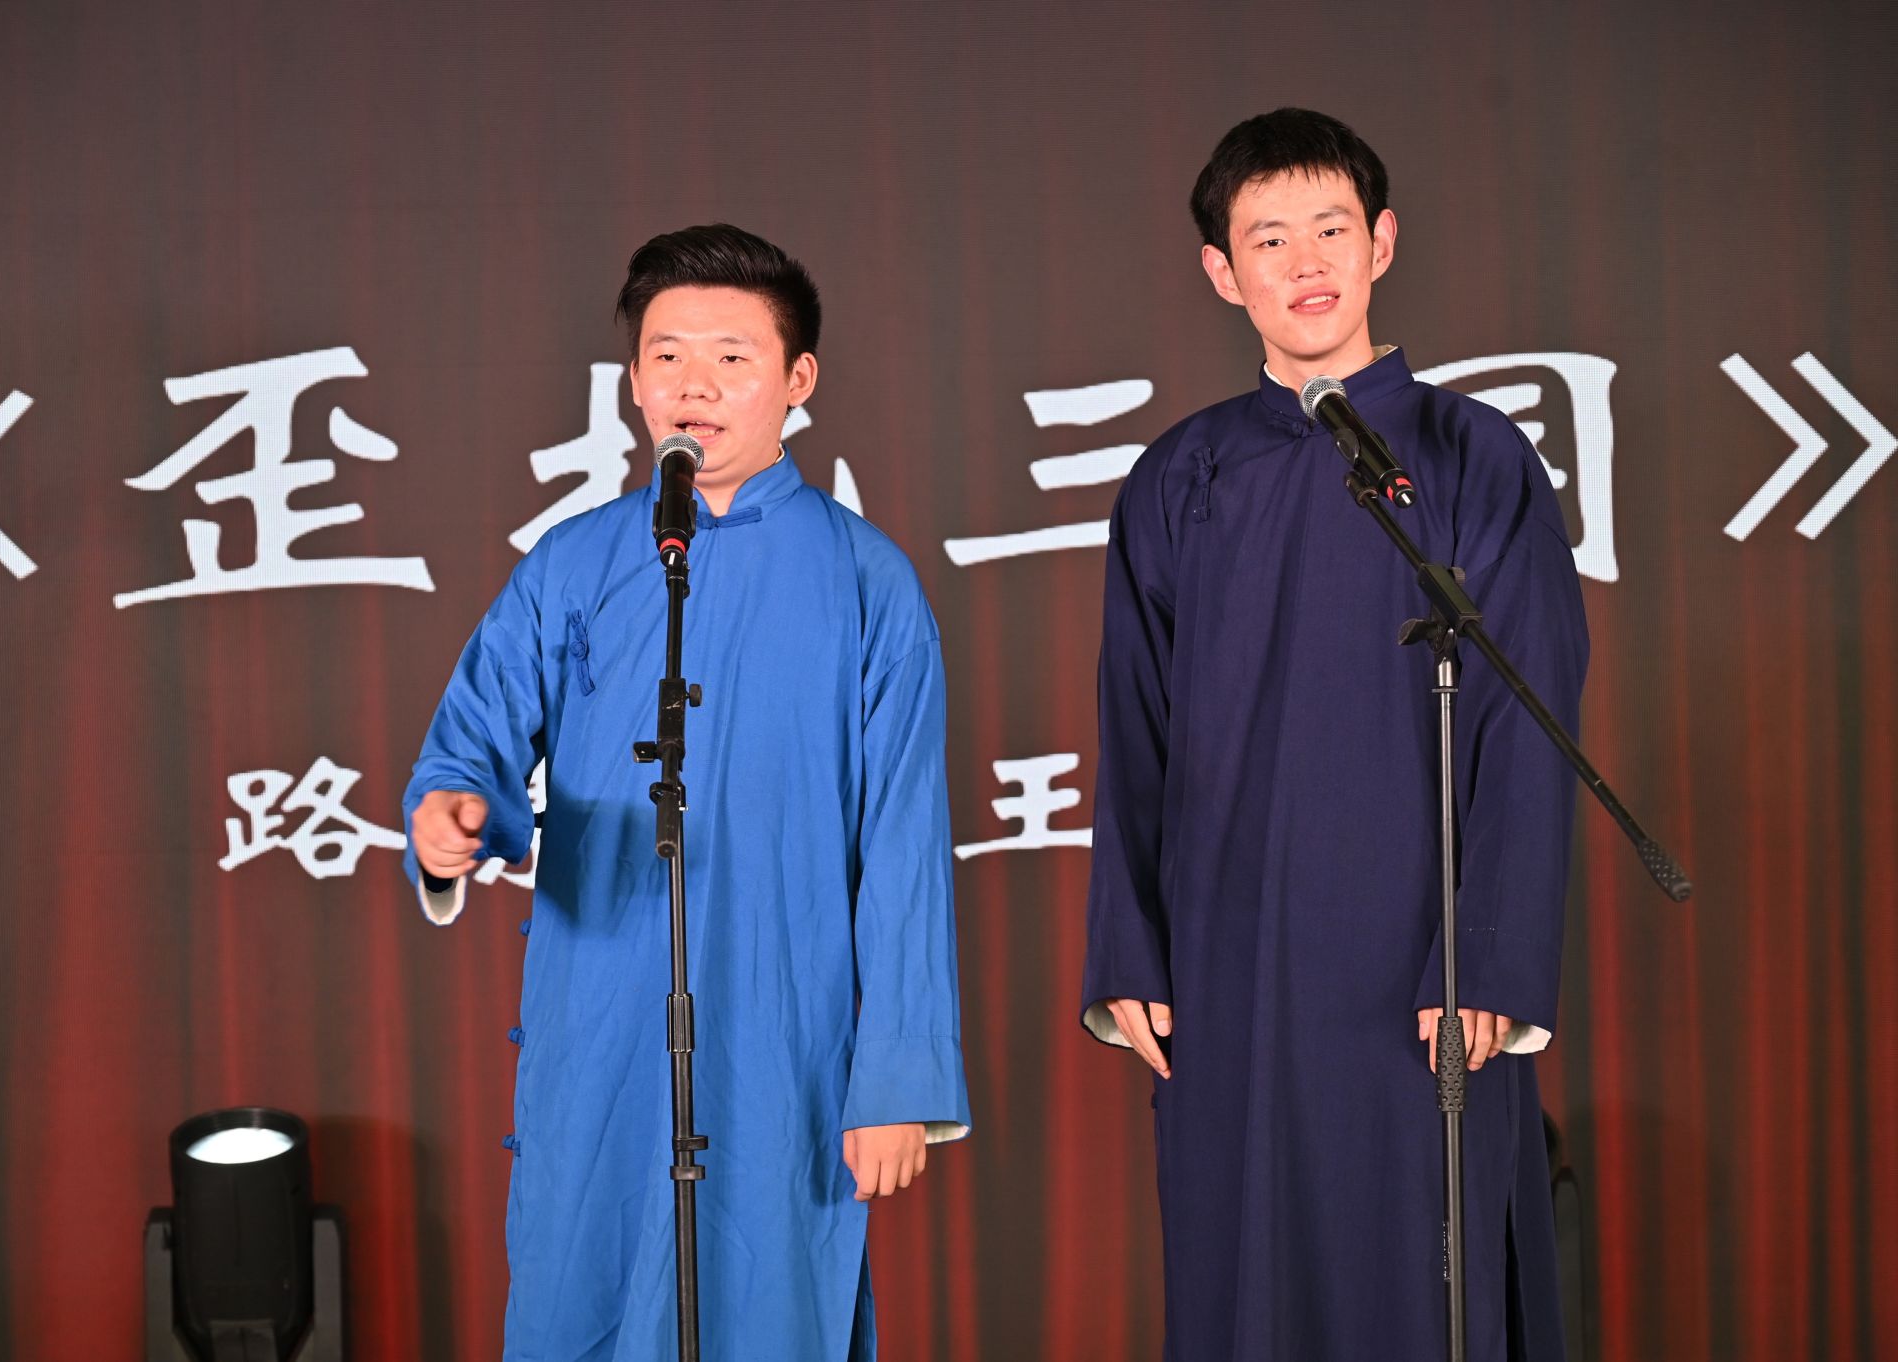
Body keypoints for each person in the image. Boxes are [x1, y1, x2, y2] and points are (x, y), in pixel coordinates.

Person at [405, 223, 970, 1362]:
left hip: (785, 1018)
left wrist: (897, 1077)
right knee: (582, 1292)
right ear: (632, 381)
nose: (692, 385)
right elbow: (470, 743)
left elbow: (905, 837)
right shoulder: (572, 564)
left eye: (730, 357)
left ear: (798, 380)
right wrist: (449, 815)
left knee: (770, 1304)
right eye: (665, 356)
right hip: (601, 1012)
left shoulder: (867, 580)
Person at [1081, 108, 1588, 1360]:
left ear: (1380, 243)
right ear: (1221, 271)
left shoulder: (1471, 454)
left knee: (1422, 1276)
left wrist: (1487, 955)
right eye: (1267, 239)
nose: (1303, 262)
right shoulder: (1178, 475)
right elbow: (1133, 724)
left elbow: (1529, 713)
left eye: (1328, 229)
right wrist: (1130, 946)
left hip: (1421, 966)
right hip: (1227, 958)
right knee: (1246, 1277)